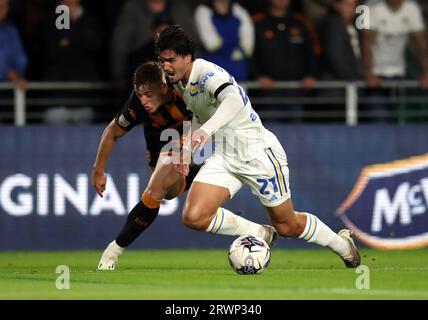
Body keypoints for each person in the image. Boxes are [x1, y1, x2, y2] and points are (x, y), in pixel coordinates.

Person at [156, 25, 361, 268]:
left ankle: (343, 245)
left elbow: (232, 99)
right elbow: (195, 113)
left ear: (187, 57)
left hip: (257, 154)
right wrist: (188, 149)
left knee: (288, 225)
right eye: (162, 60)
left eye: (170, 60)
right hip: (225, 155)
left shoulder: (208, 74)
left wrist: (205, 132)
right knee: (194, 216)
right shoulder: (180, 82)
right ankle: (261, 233)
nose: (165, 66)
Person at [93, 62, 276, 270]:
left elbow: (226, 100)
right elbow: (112, 132)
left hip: (206, 146)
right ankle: (258, 232)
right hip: (172, 154)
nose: (143, 100)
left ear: (163, 87)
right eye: (139, 94)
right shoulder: (137, 103)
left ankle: (112, 252)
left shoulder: (186, 86)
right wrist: (98, 170)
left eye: (148, 95)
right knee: (162, 190)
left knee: (167, 190)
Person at [361, 0, 428, 122]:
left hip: (400, 74)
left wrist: (426, 73)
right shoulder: (369, 8)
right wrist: (368, 73)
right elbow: (365, 44)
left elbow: (421, 46)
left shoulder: (412, 8)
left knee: (400, 120)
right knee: (380, 119)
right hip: (376, 75)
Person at [194, 0, 254, 81]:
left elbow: (248, 47)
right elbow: (211, 44)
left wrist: (237, 51)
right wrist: (234, 48)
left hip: (238, 71)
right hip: (214, 71)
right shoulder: (203, 11)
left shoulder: (240, 11)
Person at [0, 0, 28, 91]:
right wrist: (6, 73)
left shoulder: (11, 31)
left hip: (8, 89)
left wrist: (17, 75)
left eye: (5, 6)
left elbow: (20, 59)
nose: (2, 10)